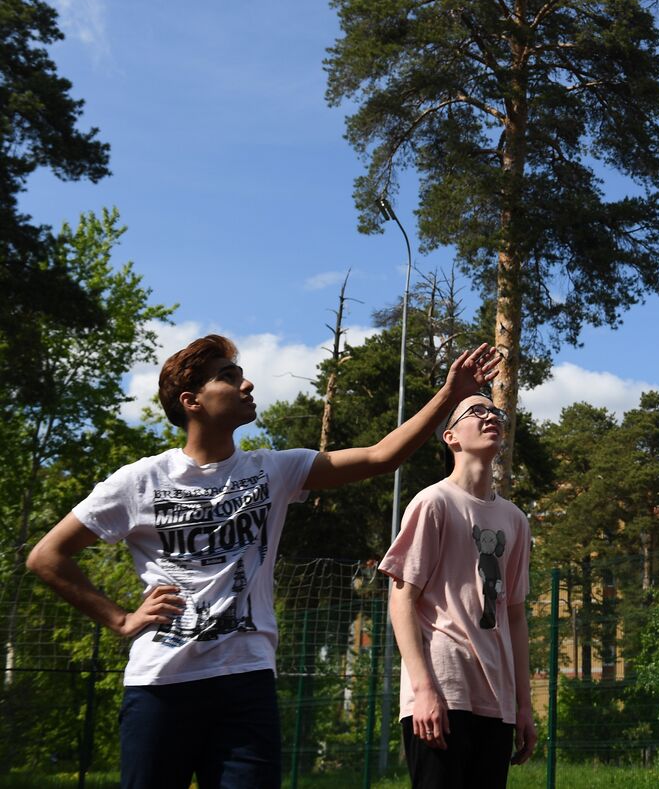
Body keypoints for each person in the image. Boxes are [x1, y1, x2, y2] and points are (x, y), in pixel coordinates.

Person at [26, 333, 500, 789]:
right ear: (192, 401)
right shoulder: (140, 481)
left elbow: (381, 457)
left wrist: (450, 394)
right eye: (229, 377)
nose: (246, 384)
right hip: (160, 685)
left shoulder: (272, 470)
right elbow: (47, 556)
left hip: (245, 684)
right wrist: (121, 619)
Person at [378, 391, 535, 788]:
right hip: (443, 693)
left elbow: (514, 615)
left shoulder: (515, 520)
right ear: (451, 437)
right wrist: (424, 690)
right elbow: (401, 600)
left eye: (495, 411)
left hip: (496, 700)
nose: (490, 416)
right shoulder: (433, 502)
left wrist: (524, 706)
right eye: (476, 411)